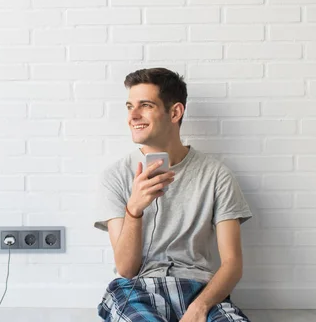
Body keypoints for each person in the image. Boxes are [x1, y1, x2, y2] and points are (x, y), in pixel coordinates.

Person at [94, 68, 253, 322]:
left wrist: (200, 308)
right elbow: (126, 269)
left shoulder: (216, 175)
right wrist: (134, 211)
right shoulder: (115, 176)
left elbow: (232, 263)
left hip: (201, 292)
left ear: (175, 112)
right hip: (136, 290)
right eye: (129, 107)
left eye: (144, 105)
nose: (133, 116)